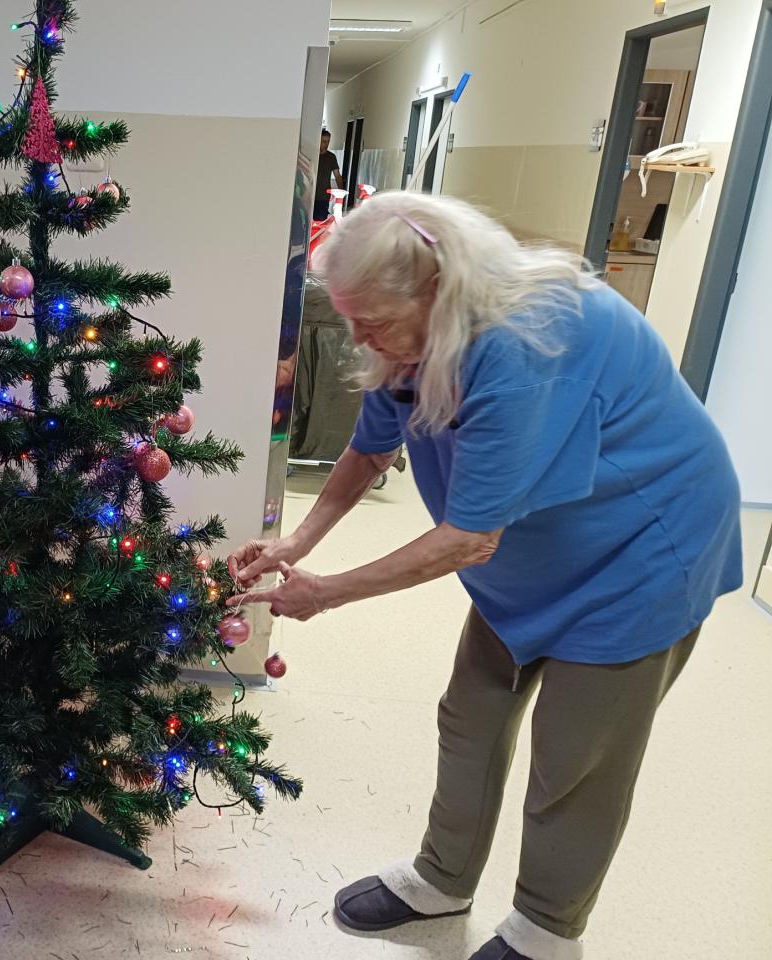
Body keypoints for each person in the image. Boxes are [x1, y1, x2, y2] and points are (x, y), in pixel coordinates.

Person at [228, 191, 741, 960]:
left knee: (577, 758)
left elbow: (468, 538)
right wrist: (296, 541)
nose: (358, 338)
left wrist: (327, 593)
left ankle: (546, 931)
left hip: (640, 551)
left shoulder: (526, 343)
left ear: (437, 290)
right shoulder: (409, 339)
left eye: (372, 321)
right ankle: (443, 879)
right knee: (471, 714)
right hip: (532, 550)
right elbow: (370, 450)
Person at [314, 128, 346, 222]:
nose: (326, 144)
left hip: (323, 196)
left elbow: (337, 176)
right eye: (324, 141)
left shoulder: (331, 157)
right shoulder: (312, 155)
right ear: (318, 140)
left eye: (328, 142)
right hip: (309, 195)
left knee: (320, 221)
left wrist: (341, 194)